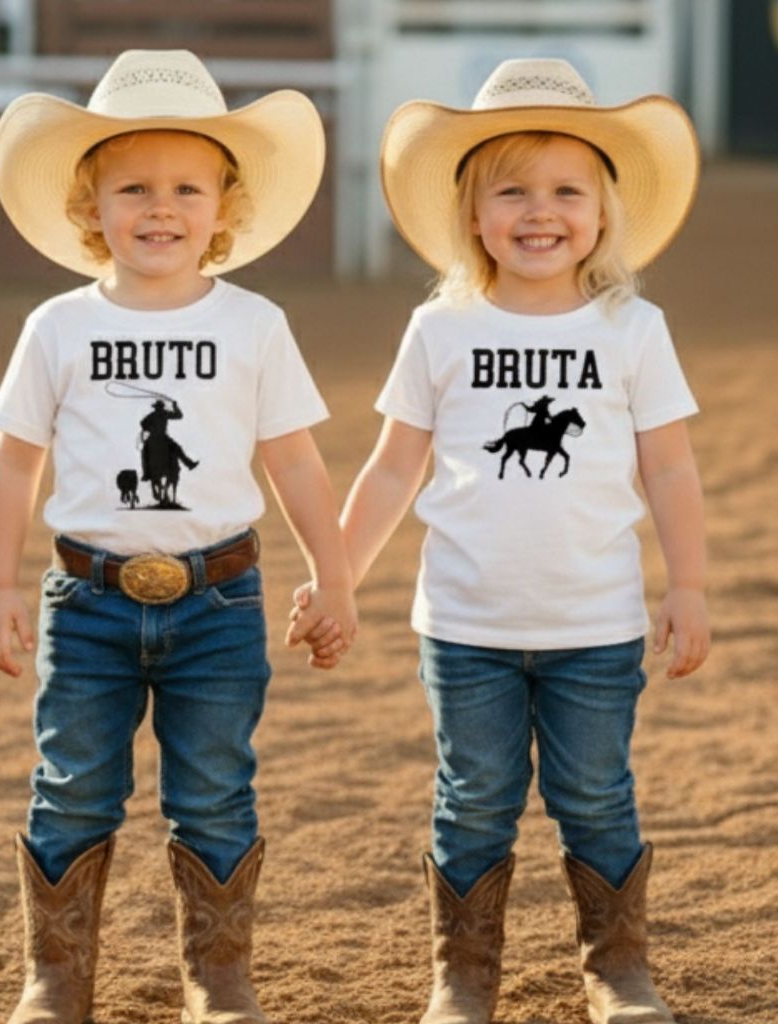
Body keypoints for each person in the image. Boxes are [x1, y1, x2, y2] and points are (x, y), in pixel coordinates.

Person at [291, 58, 710, 1023]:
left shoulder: (633, 329)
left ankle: (617, 969)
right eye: (511, 191)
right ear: (473, 215)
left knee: (596, 794)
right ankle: (464, 976)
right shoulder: (441, 329)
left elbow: (670, 469)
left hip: (595, 625)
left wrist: (687, 585)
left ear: (602, 213)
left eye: (567, 191)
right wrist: (336, 577)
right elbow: (394, 469)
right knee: (474, 796)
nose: (540, 212)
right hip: (465, 624)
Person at [0, 49, 355, 1024]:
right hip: (87, 601)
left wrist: (336, 576)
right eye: (133, 188)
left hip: (220, 602)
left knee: (217, 788)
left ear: (223, 207)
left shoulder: (254, 324)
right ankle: (56, 979)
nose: (160, 208)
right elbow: (15, 464)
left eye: (187, 187)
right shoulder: (57, 327)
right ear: (90, 206)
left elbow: (296, 463)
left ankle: (217, 979)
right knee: (71, 787)